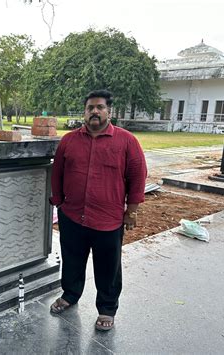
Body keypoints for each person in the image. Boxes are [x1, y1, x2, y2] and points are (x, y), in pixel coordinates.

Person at [49, 90, 147, 331]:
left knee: (108, 267)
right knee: (72, 260)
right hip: (72, 215)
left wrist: (131, 212)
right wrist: (59, 202)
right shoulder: (69, 141)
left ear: (108, 112)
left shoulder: (126, 141)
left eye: (100, 107)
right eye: (90, 107)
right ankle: (70, 295)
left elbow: (137, 176)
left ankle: (107, 309)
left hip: (108, 219)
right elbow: (58, 172)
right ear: (84, 112)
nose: (94, 111)